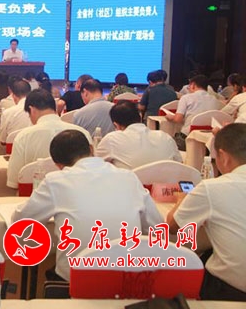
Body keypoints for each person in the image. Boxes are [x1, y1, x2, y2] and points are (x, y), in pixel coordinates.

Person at [12, 130, 162, 281]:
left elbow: (21, 220)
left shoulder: (55, 181)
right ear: (91, 149)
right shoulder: (129, 177)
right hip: (128, 280)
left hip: (77, 281)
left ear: (58, 165)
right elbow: (157, 227)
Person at [167, 123, 246, 301]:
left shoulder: (213, 188)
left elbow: (172, 226)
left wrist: (181, 200)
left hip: (230, 291)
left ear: (223, 156)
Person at [6, 89, 92, 189]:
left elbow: (14, 181)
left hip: (35, 193)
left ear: (31, 110)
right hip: (78, 193)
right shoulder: (82, 133)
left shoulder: (23, 137)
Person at [96, 101, 182, 169]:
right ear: (140, 117)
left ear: (116, 125)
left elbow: (94, 164)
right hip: (165, 184)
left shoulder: (112, 139)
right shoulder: (165, 137)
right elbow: (180, 164)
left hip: (128, 185)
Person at [166, 75, 222, 147]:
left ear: (193, 85)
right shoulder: (215, 100)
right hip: (207, 141)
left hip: (187, 139)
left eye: (188, 86)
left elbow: (177, 119)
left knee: (166, 143)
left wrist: (170, 117)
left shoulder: (186, 98)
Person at [0, 79, 32, 144]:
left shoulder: (7, 113)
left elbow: (3, 141)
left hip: (12, 149)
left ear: (13, 95)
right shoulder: (38, 111)